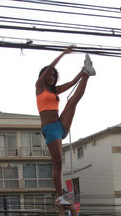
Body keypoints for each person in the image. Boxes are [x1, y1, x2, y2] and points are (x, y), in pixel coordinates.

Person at [36, 46, 96, 206]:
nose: (51, 76)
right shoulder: (39, 88)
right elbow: (50, 67)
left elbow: (71, 83)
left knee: (72, 101)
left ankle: (88, 73)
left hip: (60, 125)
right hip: (50, 130)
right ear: (42, 76)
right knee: (57, 164)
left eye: (54, 75)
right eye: (48, 74)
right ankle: (59, 195)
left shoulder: (55, 90)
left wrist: (82, 72)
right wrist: (63, 53)